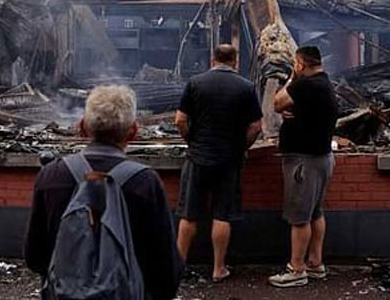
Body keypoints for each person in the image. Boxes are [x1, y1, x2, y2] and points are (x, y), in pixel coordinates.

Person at [25, 85, 183, 300]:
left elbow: (35, 255)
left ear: (82, 127)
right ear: (133, 132)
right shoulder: (145, 183)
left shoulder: (52, 176)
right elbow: (165, 264)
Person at [174, 44, 263, 283]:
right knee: (222, 215)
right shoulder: (246, 87)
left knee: (189, 215)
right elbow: (256, 127)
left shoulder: (195, 83)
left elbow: (180, 120)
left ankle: (178, 267)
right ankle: (218, 268)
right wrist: (242, 146)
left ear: (212, 60)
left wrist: (192, 140)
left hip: (198, 157)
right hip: (229, 159)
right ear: (235, 61)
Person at [268, 45, 339, 288]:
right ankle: (315, 263)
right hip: (322, 158)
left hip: (303, 162)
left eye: (295, 64)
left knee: (299, 217)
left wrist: (291, 79)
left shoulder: (306, 85)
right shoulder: (324, 84)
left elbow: (276, 103)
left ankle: (296, 269)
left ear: (300, 64)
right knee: (316, 213)